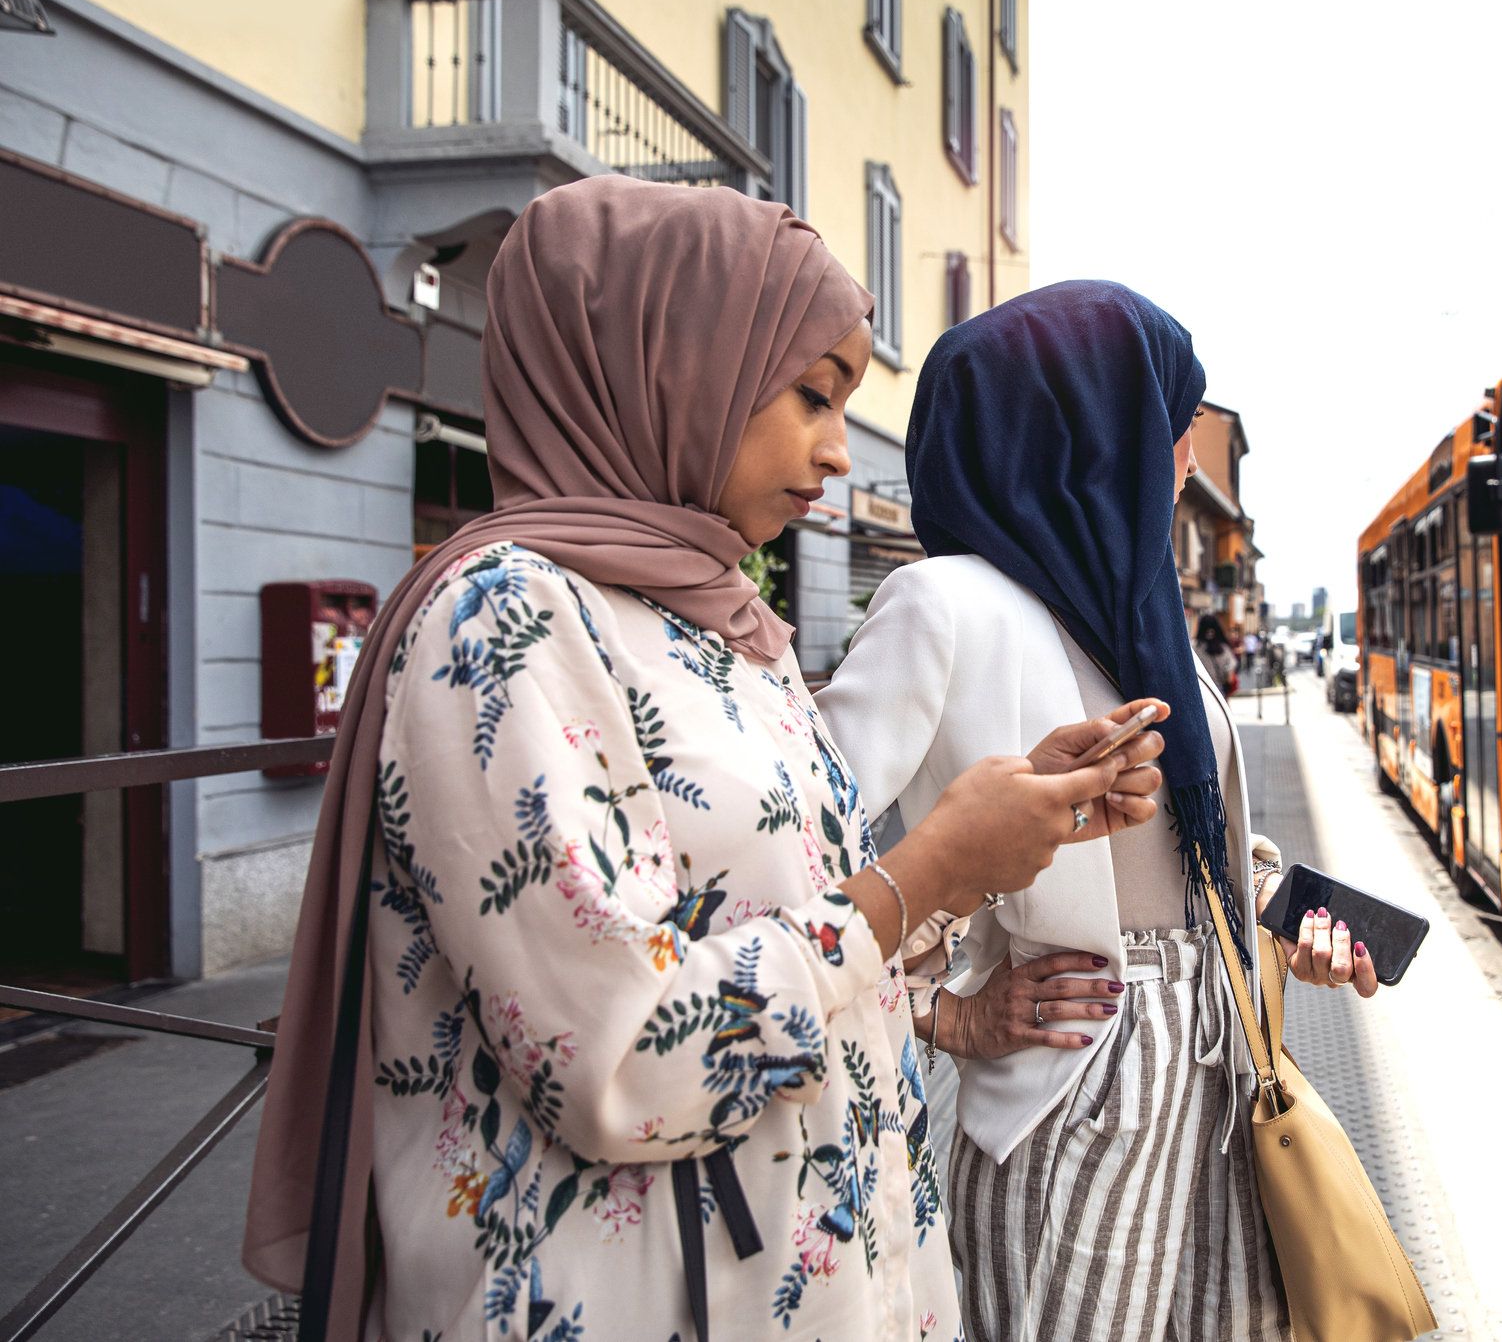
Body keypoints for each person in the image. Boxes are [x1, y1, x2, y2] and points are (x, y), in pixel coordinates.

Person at [242, 180, 1162, 1342]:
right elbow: (621, 1059)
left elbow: (793, 911)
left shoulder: (721, 624)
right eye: (813, 394)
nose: (838, 451)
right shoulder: (506, 619)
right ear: (671, 359)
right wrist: (929, 869)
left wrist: (998, 848)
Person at [819, 282, 1381, 1342]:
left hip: (1222, 1061)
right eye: (1172, 421)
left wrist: (1279, 909)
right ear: (1093, 428)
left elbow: (1182, 839)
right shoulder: (944, 602)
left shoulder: (1137, 605)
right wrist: (944, 1012)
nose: (1186, 461)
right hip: (1078, 1070)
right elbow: (795, 849)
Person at [1195, 612, 1240, 697]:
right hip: (1218, 693)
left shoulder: (1195, 648)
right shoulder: (1224, 649)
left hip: (1200, 693)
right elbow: (1230, 678)